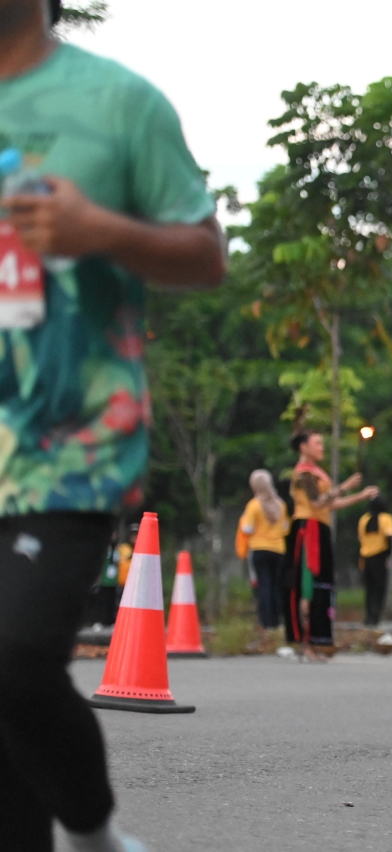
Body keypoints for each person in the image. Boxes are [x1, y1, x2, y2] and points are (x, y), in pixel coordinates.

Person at [0, 0, 226, 848]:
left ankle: (94, 834)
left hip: (71, 442)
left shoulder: (118, 102)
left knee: (15, 659)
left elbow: (206, 254)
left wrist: (98, 230)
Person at [286, 430, 377, 661]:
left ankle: (317, 640)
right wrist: (345, 486)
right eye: (317, 443)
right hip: (308, 528)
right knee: (308, 584)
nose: (321, 447)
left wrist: (360, 495)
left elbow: (331, 504)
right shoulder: (303, 473)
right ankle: (305, 643)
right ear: (303, 447)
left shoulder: (318, 472)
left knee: (322, 584)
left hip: (321, 527)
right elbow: (317, 503)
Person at [239, 470, 290, 630]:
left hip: (259, 549)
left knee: (264, 586)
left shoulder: (253, 505)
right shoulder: (280, 505)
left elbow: (247, 528)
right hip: (278, 550)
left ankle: (266, 621)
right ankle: (277, 620)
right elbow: (286, 528)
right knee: (276, 586)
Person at [356, 496, 392, 628]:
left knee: (369, 589)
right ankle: (376, 616)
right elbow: (390, 538)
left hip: (365, 557)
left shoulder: (364, 519)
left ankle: (368, 616)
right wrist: (389, 555)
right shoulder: (387, 519)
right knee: (380, 588)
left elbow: (361, 538)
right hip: (380, 557)